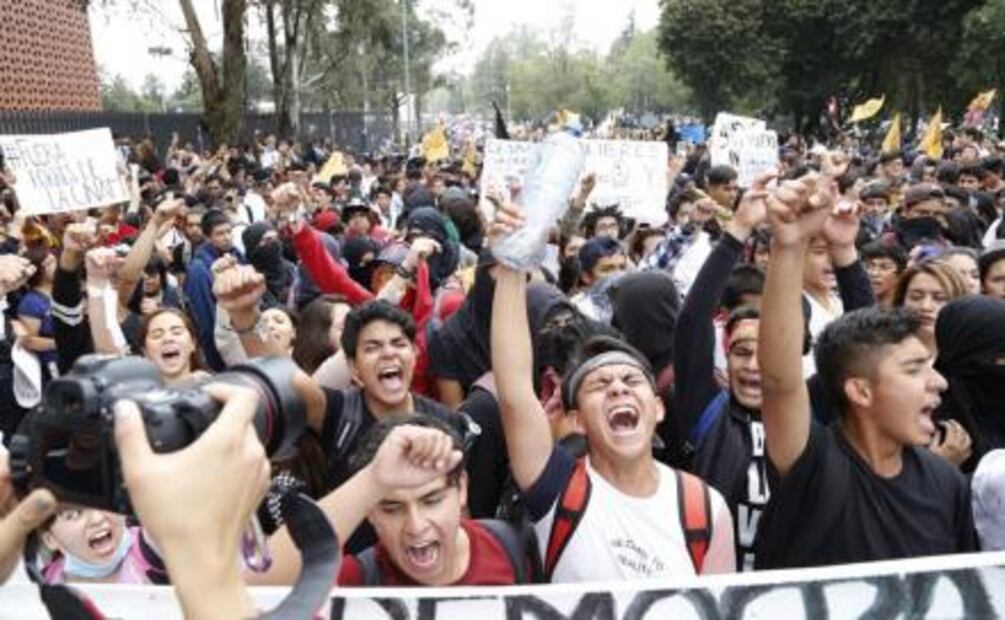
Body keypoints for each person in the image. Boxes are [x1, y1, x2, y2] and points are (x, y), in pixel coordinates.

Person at [489, 196, 736, 581]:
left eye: (632, 380)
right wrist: (509, 266)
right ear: (577, 420)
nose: (618, 388)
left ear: (658, 408)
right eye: (600, 384)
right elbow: (514, 391)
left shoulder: (704, 507)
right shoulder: (558, 489)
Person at [754, 172, 977, 569]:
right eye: (913, 369)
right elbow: (779, 380)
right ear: (860, 391)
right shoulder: (814, 467)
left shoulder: (946, 485)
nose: (938, 382)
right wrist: (789, 244)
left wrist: (844, 251)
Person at [254, 417, 531, 587]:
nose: (415, 525)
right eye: (391, 508)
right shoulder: (358, 581)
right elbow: (257, 586)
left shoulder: (509, 547)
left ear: (461, 490)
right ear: (370, 512)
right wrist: (373, 481)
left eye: (431, 501)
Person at [184, 209, 244, 371]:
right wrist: (218, 363)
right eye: (219, 234)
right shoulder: (199, 269)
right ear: (208, 237)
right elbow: (206, 321)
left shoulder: (236, 254)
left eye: (229, 231)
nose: (226, 237)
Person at [892, 261, 967, 355]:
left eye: (939, 298)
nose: (925, 306)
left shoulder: (975, 356)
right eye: (916, 297)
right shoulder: (881, 353)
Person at [862, 241, 907, 307]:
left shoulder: (908, 310)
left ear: (900, 274)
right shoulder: (855, 306)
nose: (874, 273)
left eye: (884, 267)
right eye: (869, 266)